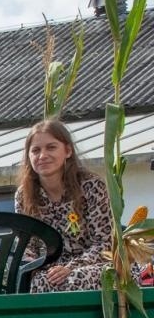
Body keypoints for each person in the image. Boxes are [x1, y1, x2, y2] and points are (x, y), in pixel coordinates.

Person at [15, 119, 113, 293]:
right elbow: (26, 246)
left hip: (94, 265)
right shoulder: (24, 195)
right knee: (33, 282)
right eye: (36, 150)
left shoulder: (91, 186)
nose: (42, 156)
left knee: (72, 280)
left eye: (51, 147)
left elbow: (105, 244)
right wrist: (32, 266)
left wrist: (71, 267)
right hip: (48, 270)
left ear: (68, 151)